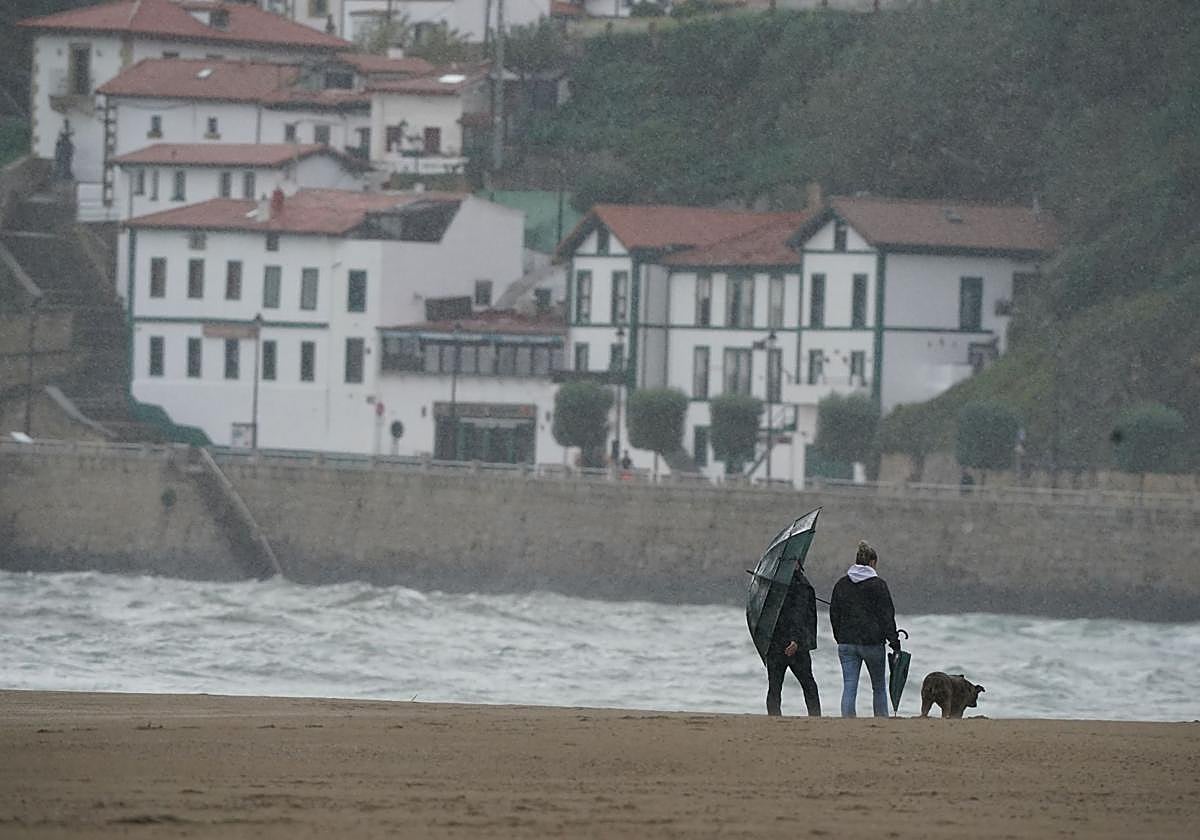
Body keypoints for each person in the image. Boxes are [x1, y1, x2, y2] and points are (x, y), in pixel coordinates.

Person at [829, 540, 899, 718]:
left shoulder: (841, 584)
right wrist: (894, 641)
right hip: (872, 643)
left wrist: (839, 637)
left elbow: (834, 614)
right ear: (872, 562)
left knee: (849, 685)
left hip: (846, 643)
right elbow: (887, 615)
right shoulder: (878, 585)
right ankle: (881, 720)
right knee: (878, 687)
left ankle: (848, 720)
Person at [764, 558, 821, 717]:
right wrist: (795, 640)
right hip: (795, 645)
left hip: (775, 643)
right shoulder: (801, 585)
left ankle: (774, 718)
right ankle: (815, 717)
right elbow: (799, 614)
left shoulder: (773, 583)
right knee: (808, 684)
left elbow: (768, 614)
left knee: (775, 687)